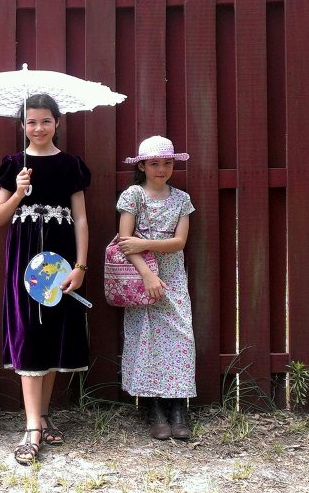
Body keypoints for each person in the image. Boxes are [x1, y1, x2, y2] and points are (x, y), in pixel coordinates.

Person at [0, 93, 91, 466]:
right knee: (29, 332)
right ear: (22, 126)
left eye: (45, 121)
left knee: (52, 333)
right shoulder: (14, 164)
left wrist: (80, 266)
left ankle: (43, 414)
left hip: (62, 260)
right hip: (24, 261)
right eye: (31, 122)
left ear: (57, 122)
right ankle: (32, 428)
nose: (38, 128)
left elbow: (80, 219)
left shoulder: (71, 165)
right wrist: (18, 191)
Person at [115, 135, 195, 440]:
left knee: (180, 338)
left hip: (173, 278)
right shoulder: (133, 196)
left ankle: (179, 407)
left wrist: (145, 242)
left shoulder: (181, 200)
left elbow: (179, 242)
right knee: (145, 339)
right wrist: (147, 275)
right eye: (154, 164)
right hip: (140, 278)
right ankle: (154, 409)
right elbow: (125, 242)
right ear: (143, 166)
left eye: (167, 163)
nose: (161, 169)